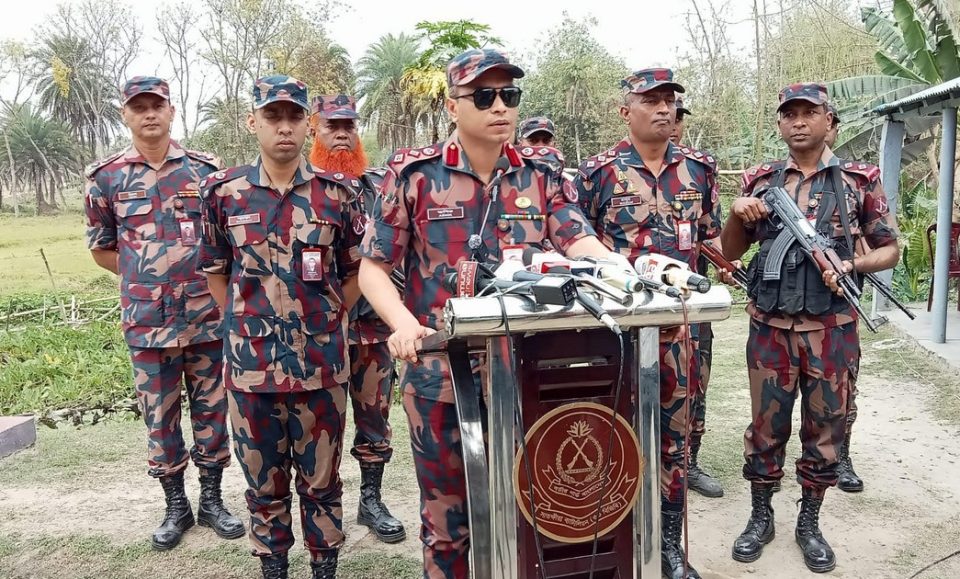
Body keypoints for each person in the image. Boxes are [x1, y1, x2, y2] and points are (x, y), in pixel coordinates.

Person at [358, 48, 617, 578]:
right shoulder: (415, 175)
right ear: (452, 105)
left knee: (531, 512)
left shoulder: (541, 175)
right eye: (483, 96)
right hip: (441, 373)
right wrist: (404, 324)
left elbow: (578, 240)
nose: (500, 106)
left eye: (509, 95)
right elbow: (373, 269)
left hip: (528, 374)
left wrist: (620, 271)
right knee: (447, 524)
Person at [720, 83, 900, 573]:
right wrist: (737, 212)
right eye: (789, 114)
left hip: (832, 328)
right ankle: (761, 517)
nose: (798, 122)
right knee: (765, 427)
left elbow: (889, 248)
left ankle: (809, 523)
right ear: (780, 124)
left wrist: (851, 264)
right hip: (769, 328)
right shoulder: (761, 180)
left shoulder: (859, 180)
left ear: (829, 121)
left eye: (809, 113)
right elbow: (731, 250)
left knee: (825, 429)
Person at [198, 75, 364, 579]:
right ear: (253, 122)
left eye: (294, 117)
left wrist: (323, 321)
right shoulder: (223, 193)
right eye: (273, 116)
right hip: (251, 371)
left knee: (322, 483)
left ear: (308, 124)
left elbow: (355, 273)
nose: (284, 127)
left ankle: (324, 568)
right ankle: (274, 568)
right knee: (262, 485)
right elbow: (216, 273)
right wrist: (249, 323)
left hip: (321, 369)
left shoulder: (337, 194)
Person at [573, 67, 724, 579]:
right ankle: (609, 540)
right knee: (609, 431)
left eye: (669, 100)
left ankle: (669, 547)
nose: (663, 108)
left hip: (682, 331)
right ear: (626, 111)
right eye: (651, 100)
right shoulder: (596, 174)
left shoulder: (699, 170)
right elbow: (574, 249)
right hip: (615, 331)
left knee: (674, 439)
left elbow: (711, 240)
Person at [84, 75, 243, 551]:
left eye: (157, 105)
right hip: (148, 323)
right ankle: (176, 506)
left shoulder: (205, 171)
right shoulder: (107, 178)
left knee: (213, 412)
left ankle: (212, 500)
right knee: (159, 419)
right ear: (126, 115)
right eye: (139, 107)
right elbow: (102, 249)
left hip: (205, 319)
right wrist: (146, 275)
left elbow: (225, 242)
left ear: (171, 111)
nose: (149, 113)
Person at [308, 93, 406, 543]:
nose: (343, 134)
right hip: (319, 331)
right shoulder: (304, 189)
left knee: (375, 419)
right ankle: (324, 507)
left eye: (349, 125)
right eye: (333, 126)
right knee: (319, 426)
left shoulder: (378, 187)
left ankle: (371, 499)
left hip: (372, 330)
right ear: (315, 129)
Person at [667, 96, 725, 500]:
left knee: (695, 382)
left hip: (692, 302)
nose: (671, 124)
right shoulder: (614, 172)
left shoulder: (699, 169)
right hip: (637, 304)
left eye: (678, 117)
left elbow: (711, 231)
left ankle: (689, 462)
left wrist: (725, 263)